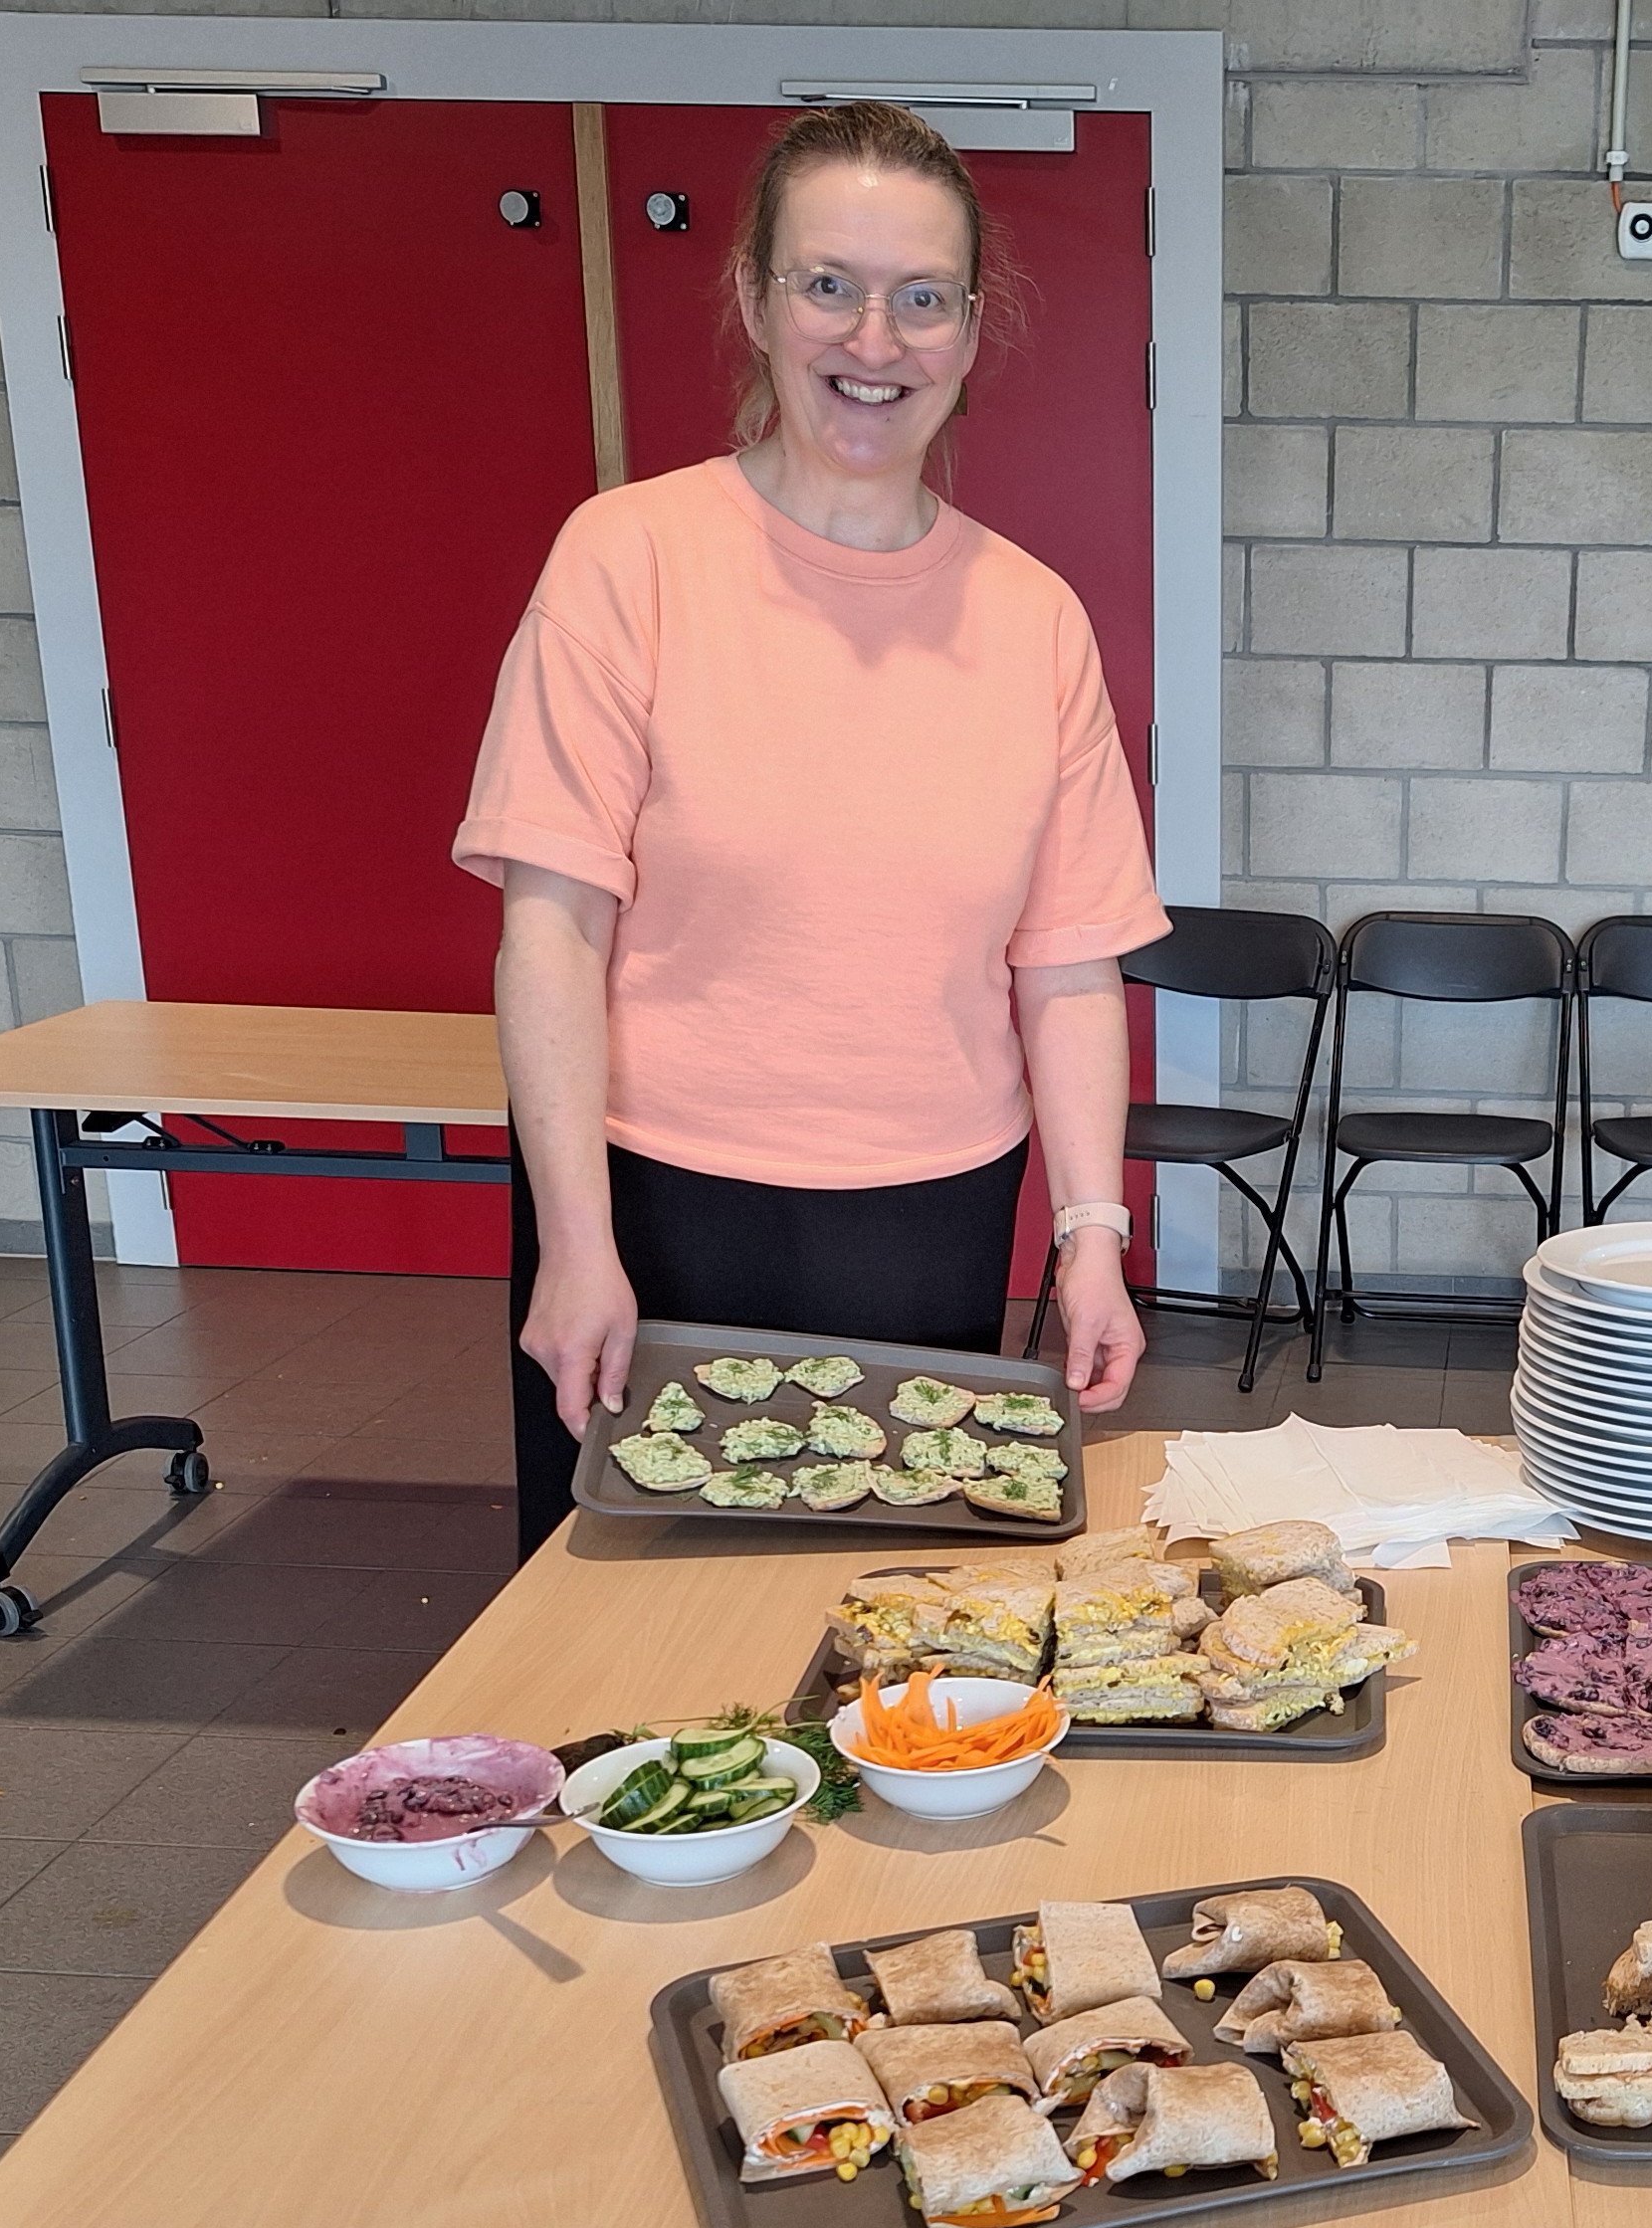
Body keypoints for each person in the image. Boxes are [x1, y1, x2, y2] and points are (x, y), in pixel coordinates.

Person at [455, 100, 1167, 1551]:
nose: (874, 339)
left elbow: (1070, 965)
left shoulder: (1035, 620)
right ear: (755, 298)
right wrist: (577, 1242)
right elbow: (553, 931)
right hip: (654, 1206)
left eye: (923, 299)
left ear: (971, 330)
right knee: (632, 1618)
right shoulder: (628, 559)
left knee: (888, 1617)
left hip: (933, 1215)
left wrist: (1091, 1233)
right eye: (830, 284)